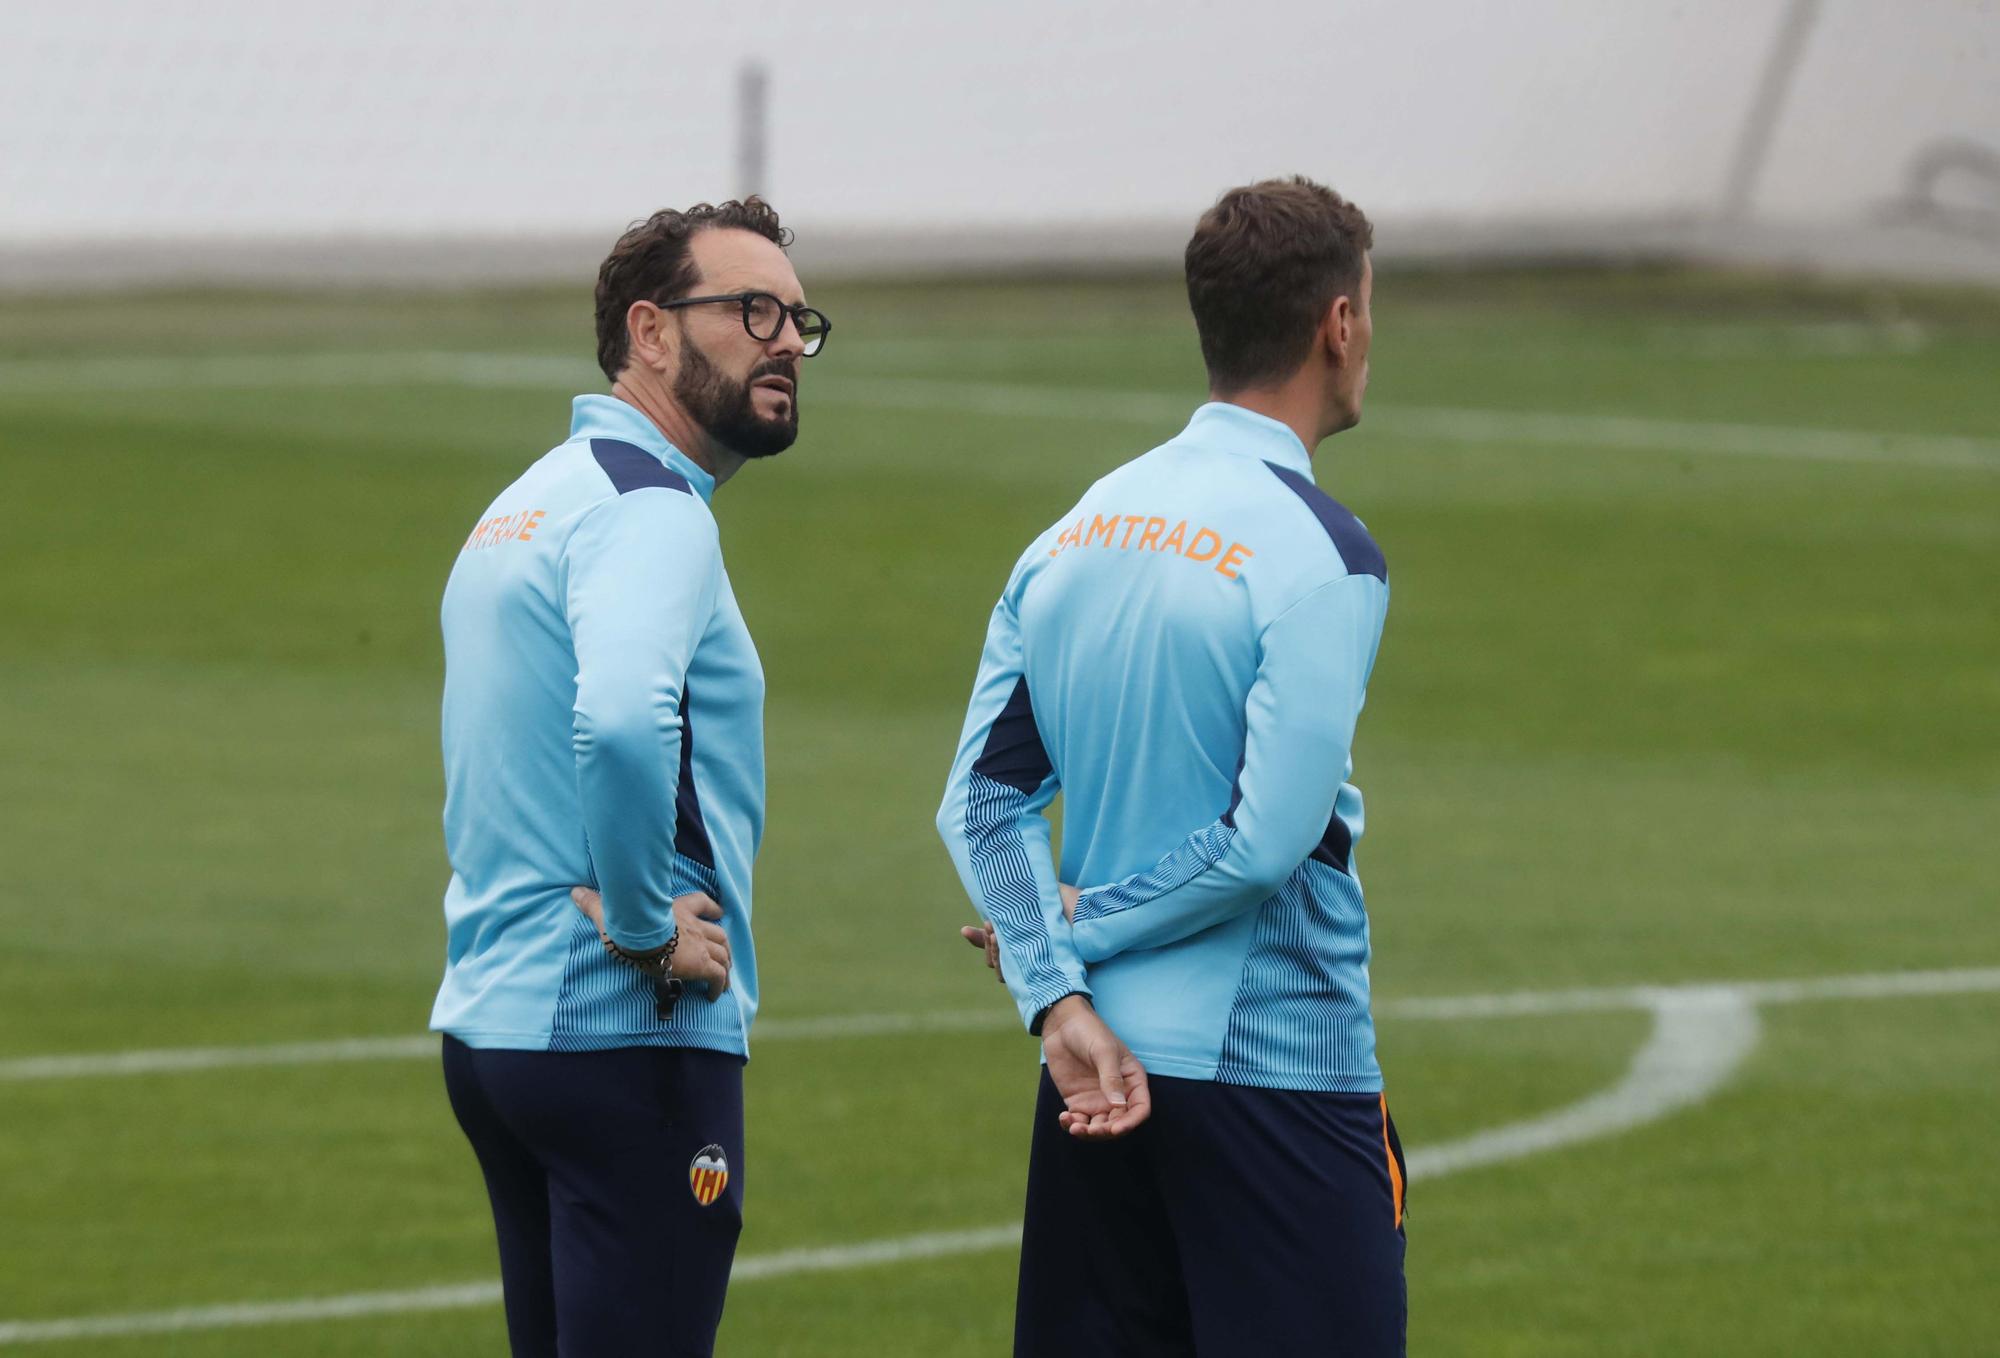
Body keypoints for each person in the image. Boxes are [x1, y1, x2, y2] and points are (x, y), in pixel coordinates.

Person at [937, 177, 1406, 1357]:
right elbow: (1263, 839)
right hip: (1276, 1087)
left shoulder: (1073, 531)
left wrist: (1050, 979)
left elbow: (981, 801)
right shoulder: (1323, 553)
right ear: (1336, 324)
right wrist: (1079, 928)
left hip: (1090, 1077)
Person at [429, 198, 829, 1358]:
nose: (784, 343)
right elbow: (617, 721)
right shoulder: (649, 508)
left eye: (799, 319)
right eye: (749, 310)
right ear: (649, 331)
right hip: (622, 1029)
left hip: (496, 1019)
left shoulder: (527, 501)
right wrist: (649, 925)